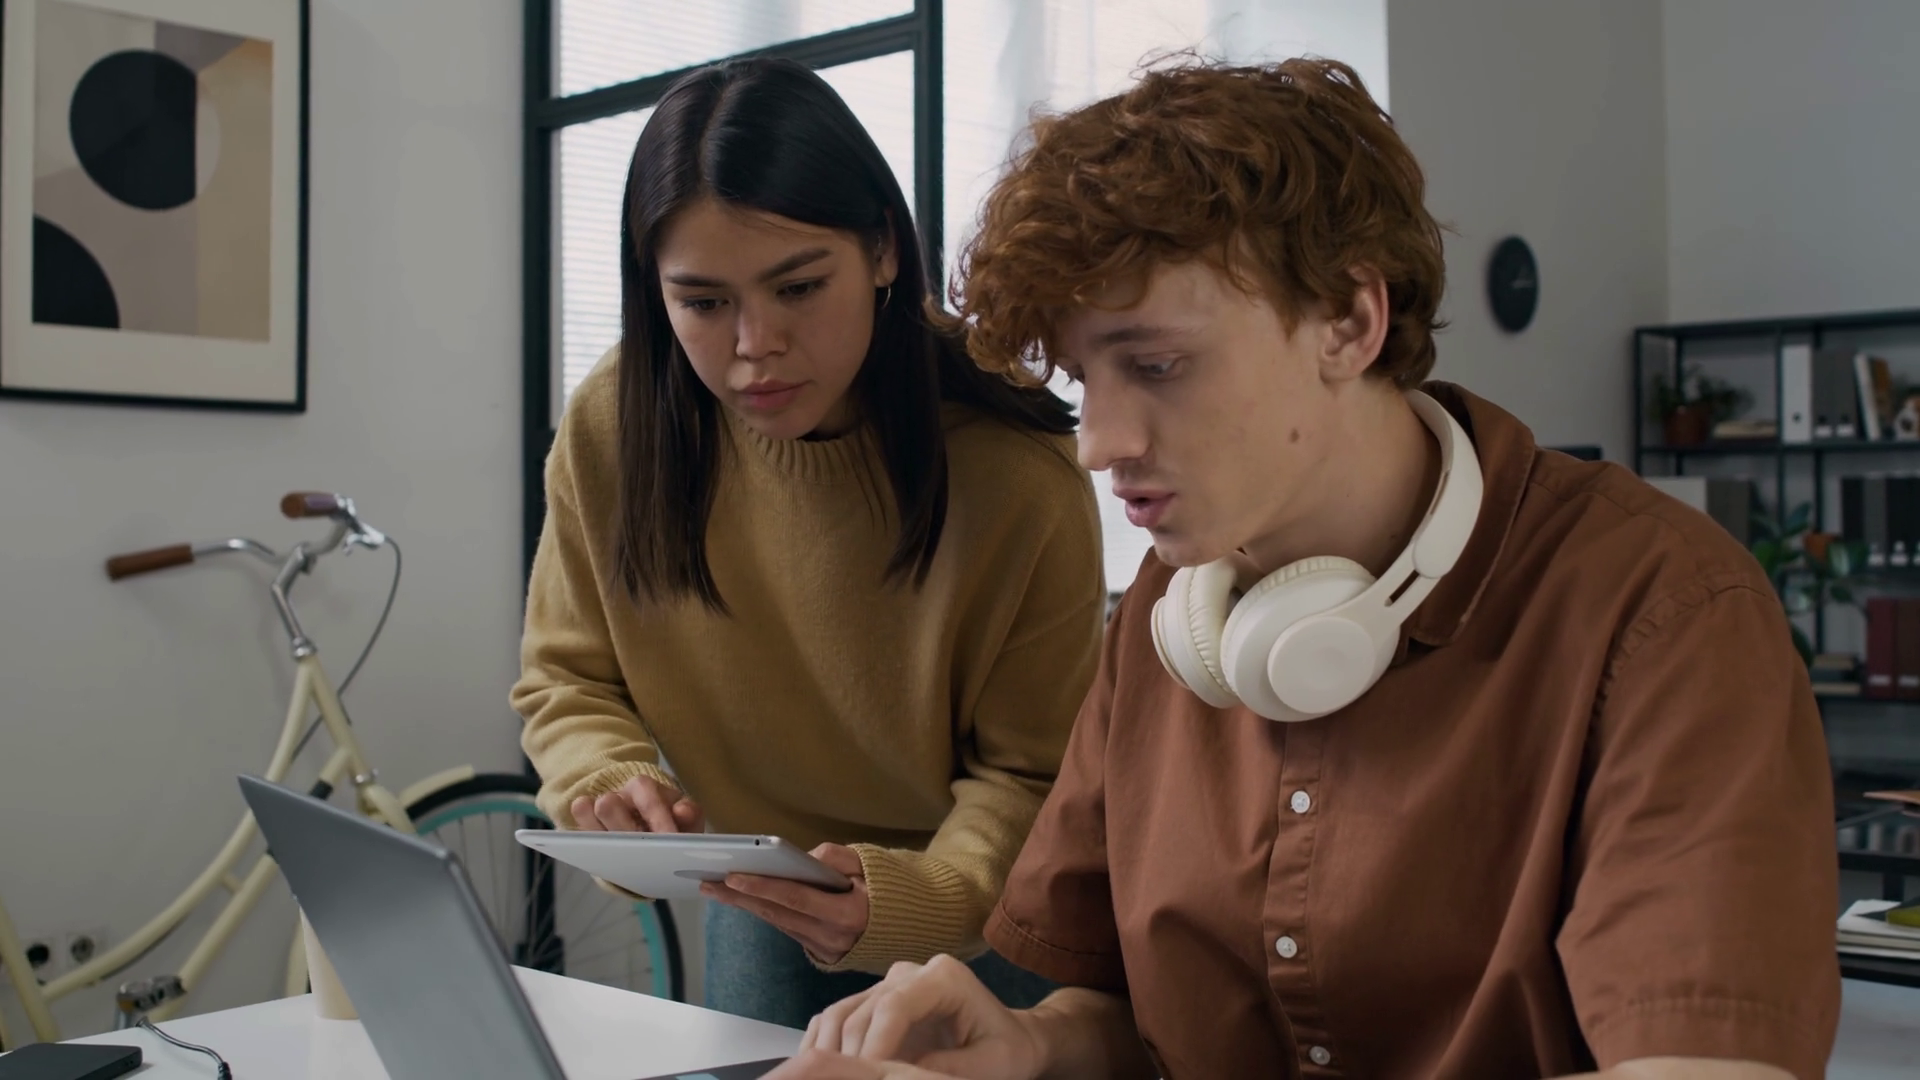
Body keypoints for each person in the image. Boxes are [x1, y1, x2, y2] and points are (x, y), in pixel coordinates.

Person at [769, 56, 1841, 1080]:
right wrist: (1030, 1047)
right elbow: (1116, 1016)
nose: (1098, 444)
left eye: (1156, 364)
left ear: (1351, 321)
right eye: (1085, 378)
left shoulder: (1665, 611)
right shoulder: (1168, 612)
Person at [509, 57, 1105, 1031]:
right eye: (703, 303)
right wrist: (606, 782)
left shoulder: (1016, 469)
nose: (755, 345)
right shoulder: (615, 426)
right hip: (761, 886)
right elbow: (567, 675)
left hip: (981, 906)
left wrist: (916, 900)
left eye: (797, 287)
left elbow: (1035, 775)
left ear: (882, 251)